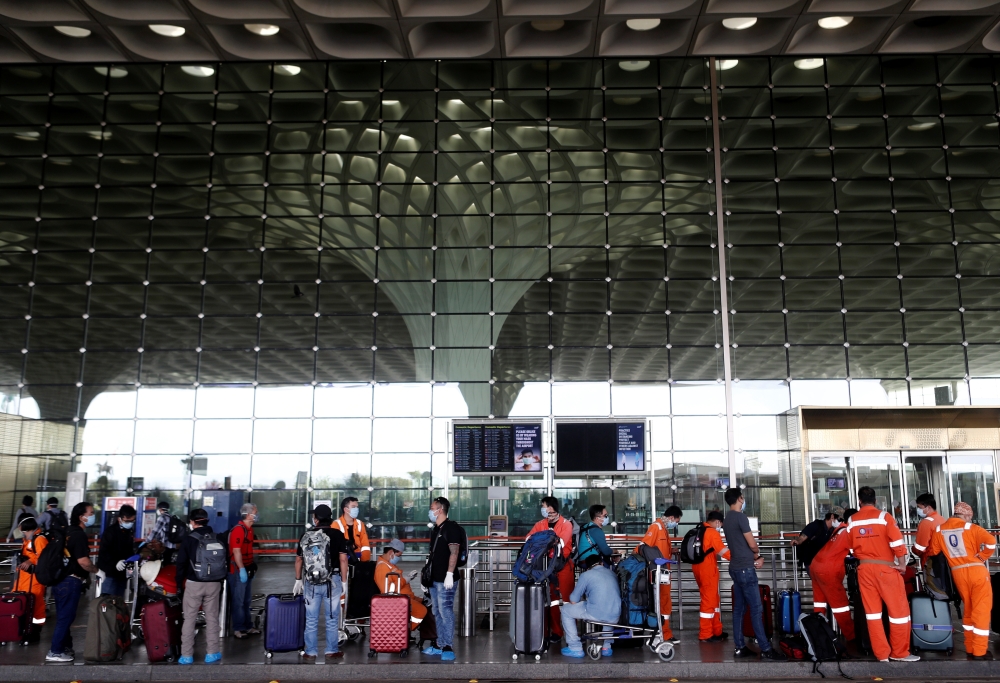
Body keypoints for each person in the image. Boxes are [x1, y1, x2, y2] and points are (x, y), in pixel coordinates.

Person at [847, 485, 919, 662]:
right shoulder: (884, 517)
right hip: (886, 569)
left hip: (864, 570)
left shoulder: (852, 520)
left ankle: (881, 654)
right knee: (899, 612)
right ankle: (899, 653)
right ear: (875, 500)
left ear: (859, 501)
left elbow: (849, 548)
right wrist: (902, 564)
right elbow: (896, 543)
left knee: (872, 614)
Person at [925, 501, 996, 660]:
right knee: (982, 610)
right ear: (965, 515)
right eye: (969, 516)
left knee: (969, 609)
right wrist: (982, 556)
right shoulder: (971, 528)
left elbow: (934, 551)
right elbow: (991, 542)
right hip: (976, 570)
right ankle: (980, 651)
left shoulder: (939, 529)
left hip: (958, 573)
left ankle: (970, 647)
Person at [722, 487, 786, 660]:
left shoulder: (727, 518)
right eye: (743, 498)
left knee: (738, 610)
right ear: (740, 498)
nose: (744, 501)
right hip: (745, 569)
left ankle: (740, 647)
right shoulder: (741, 517)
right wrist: (757, 554)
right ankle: (766, 649)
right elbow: (751, 543)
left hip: (735, 567)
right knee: (756, 609)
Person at [292, 504, 350, 660]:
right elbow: (343, 559)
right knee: (332, 617)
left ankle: (310, 652)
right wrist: (344, 582)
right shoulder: (337, 534)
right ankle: (331, 650)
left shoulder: (306, 535)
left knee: (311, 618)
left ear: (315, 519)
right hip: (334, 581)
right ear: (330, 518)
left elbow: (299, 560)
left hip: (311, 582)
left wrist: (298, 580)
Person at [46, 501, 99, 662]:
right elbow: (83, 561)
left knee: (64, 616)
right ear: (81, 517)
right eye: (90, 513)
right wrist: (97, 571)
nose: (92, 516)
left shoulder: (68, 532)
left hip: (60, 580)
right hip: (71, 581)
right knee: (65, 618)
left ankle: (64, 647)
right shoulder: (79, 535)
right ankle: (55, 651)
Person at [174, 508, 222, 665]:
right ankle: (212, 653)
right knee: (212, 618)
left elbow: (181, 563)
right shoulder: (217, 537)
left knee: (189, 619)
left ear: (193, 522)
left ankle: (186, 656)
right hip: (214, 582)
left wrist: (178, 584)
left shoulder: (189, 539)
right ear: (206, 521)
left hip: (194, 583)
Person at [526, 496, 576, 645]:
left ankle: (572, 633)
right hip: (546, 568)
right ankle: (555, 632)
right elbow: (528, 539)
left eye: (544, 506)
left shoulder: (566, 525)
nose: (542, 508)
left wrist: (540, 540)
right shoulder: (540, 524)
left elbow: (559, 543)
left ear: (552, 508)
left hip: (563, 567)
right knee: (551, 601)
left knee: (568, 600)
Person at [422, 496, 463, 661]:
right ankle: (439, 643)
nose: (430, 511)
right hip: (434, 578)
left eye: (432, 508)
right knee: (437, 612)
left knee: (446, 611)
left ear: (440, 510)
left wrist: (449, 574)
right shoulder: (436, 529)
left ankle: (448, 645)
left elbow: (454, 552)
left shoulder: (451, 529)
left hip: (446, 579)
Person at [809, 507, 857, 643]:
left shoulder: (839, 529)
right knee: (841, 605)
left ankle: (816, 633)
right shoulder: (849, 531)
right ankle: (852, 636)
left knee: (820, 603)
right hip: (828, 571)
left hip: (816, 566)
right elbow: (857, 552)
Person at [637, 504, 682, 645]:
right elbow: (642, 547)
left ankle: (664, 633)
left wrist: (670, 551)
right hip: (657, 574)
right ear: (671, 517)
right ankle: (661, 634)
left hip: (664, 573)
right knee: (661, 604)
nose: (676, 523)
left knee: (665, 603)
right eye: (677, 521)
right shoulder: (656, 527)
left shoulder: (663, 529)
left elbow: (658, 549)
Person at [559, 555, 621, 658]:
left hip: (596, 612)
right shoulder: (612, 573)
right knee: (609, 609)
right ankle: (606, 647)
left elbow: (574, 599)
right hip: (615, 614)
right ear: (601, 563)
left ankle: (575, 648)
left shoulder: (586, 575)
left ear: (588, 567)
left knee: (565, 610)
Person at [693, 510, 731, 642]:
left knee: (713, 600)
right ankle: (705, 634)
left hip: (698, 567)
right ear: (717, 522)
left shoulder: (699, 530)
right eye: (720, 524)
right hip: (707, 569)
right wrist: (739, 557)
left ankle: (716, 630)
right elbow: (723, 551)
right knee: (709, 601)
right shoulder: (712, 532)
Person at [374, 538, 426, 630]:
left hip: (405, 596)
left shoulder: (389, 565)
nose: (399, 558)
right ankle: (404, 631)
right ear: (391, 552)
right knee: (421, 611)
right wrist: (405, 580)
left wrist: (407, 579)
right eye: (398, 555)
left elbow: (396, 581)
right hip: (397, 599)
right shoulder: (382, 567)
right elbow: (387, 591)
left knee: (425, 602)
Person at [228, 502, 260, 639]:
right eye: (255, 513)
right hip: (237, 570)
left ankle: (248, 625)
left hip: (247, 568)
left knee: (246, 600)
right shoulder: (239, 530)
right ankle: (238, 628)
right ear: (248, 515)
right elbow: (236, 551)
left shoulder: (250, 530)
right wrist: (241, 569)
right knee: (238, 600)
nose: (257, 515)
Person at [14, 517, 47, 643]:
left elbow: (44, 559)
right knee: (22, 605)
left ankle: (34, 633)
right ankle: (23, 632)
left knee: (36, 606)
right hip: (23, 580)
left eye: (19, 525)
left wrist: (30, 561)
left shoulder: (39, 539)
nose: (18, 528)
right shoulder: (27, 540)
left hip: (34, 580)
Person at [97, 504, 138, 597]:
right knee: (107, 601)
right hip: (109, 572)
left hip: (122, 572)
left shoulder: (129, 532)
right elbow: (104, 552)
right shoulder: (110, 532)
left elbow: (128, 549)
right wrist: (115, 562)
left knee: (119, 601)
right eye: (128, 521)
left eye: (132, 521)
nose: (130, 523)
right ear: (120, 519)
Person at [333, 496, 371, 562]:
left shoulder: (360, 523)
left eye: (357, 507)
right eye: (353, 507)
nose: (356, 509)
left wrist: (365, 562)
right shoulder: (336, 524)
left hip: (358, 558)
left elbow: (365, 544)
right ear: (345, 509)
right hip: (342, 560)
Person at [911, 493, 945, 560]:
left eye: (920, 507)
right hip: (943, 558)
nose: (918, 510)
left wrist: (913, 550)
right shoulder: (941, 519)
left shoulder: (926, 522)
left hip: (931, 559)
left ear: (929, 507)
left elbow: (920, 548)